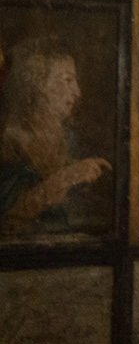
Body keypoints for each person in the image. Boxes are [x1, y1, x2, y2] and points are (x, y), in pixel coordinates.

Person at [0, 36, 110, 234]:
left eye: (75, 81)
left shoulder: (71, 140)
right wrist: (68, 177)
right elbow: (10, 210)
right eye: (67, 80)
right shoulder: (13, 139)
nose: (77, 92)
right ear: (38, 83)